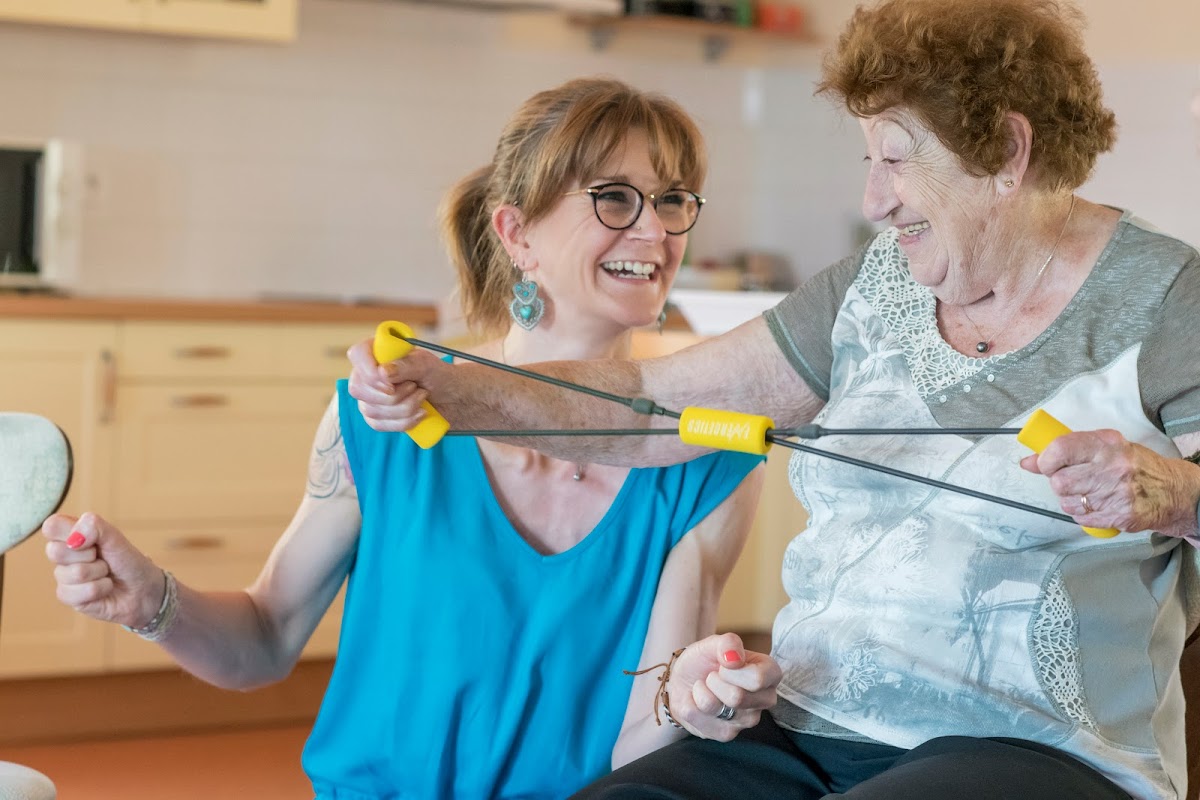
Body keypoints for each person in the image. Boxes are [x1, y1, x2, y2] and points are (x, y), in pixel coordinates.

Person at [347, 2, 1200, 798]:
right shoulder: (870, 286)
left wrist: (1177, 494)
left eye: (896, 160)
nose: (872, 200)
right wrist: (459, 389)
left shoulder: (1171, 299)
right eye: (867, 160)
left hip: (1036, 748)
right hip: (805, 723)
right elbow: (652, 405)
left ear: (1008, 154)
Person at [41, 77, 775, 799]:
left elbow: (639, 748)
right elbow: (263, 640)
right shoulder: (388, 415)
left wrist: (688, 700)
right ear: (517, 234)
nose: (655, 231)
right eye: (615, 198)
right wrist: (148, 603)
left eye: (674, 200)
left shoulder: (709, 456)